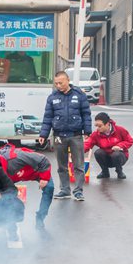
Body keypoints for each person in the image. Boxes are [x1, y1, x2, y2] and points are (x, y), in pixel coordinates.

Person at [38, 71, 91, 201]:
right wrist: (43, 134)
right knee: (62, 166)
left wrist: (87, 131)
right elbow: (48, 117)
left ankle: (78, 191)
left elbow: (86, 114)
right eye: (56, 83)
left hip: (76, 135)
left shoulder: (79, 95)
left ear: (67, 80)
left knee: (78, 165)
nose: (58, 85)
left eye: (60, 83)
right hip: (59, 136)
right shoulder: (52, 97)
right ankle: (65, 190)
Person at [0, 143, 52, 232]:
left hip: (35, 172)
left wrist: (44, 178)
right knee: (3, 195)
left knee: (49, 188)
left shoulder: (17, 156)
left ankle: (40, 217)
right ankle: (9, 223)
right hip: (13, 177)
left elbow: (43, 160)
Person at [85, 112, 133, 180]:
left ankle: (119, 172)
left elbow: (130, 141)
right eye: (96, 126)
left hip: (120, 157)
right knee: (98, 152)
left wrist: (120, 146)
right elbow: (87, 144)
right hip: (106, 158)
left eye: (100, 126)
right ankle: (105, 172)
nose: (98, 128)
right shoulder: (96, 134)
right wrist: (77, 151)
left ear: (107, 124)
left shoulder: (120, 130)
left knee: (116, 154)